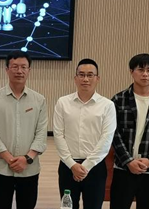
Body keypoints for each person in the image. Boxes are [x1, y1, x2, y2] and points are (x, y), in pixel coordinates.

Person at [0, 50, 48, 209]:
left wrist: (27, 159)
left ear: (29, 70)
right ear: (7, 69)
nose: (19, 71)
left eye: (23, 67)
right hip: (1, 168)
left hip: (29, 168)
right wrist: (10, 160)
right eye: (15, 67)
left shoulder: (39, 100)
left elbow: (41, 133)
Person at [110, 53, 149, 209]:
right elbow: (114, 134)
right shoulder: (118, 99)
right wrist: (128, 161)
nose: (145, 74)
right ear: (131, 71)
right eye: (140, 69)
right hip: (124, 167)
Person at [53, 58, 116, 209]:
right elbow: (58, 135)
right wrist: (72, 165)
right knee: (68, 207)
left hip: (95, 167)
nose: (85, 79)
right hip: (68, 166)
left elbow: (106, 139)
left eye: (90, 75)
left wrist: (86, 166)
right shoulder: (63, 102)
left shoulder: (107, 105)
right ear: (75, 78)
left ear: (97, 78)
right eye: (81, 75)